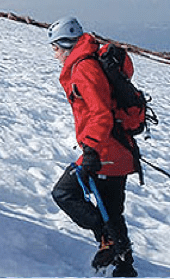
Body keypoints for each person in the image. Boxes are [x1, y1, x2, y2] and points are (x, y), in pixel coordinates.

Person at [47, 17, 137, 277]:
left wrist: (90, 150)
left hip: (106, 152)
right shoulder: (83, 63)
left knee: (65, 193)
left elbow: (101, 115)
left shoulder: (84, 68)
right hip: (111, 150)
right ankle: (121, 259)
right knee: (111, 209)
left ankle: (114, 249)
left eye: (55, 48)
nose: (54, 55)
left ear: (65, 45)